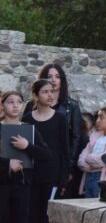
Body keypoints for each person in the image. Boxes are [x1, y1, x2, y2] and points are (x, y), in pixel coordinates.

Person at [24, 63, 83, 199]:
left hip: (57, 164)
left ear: (62, 80)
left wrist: (67, 168)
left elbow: (75, 138)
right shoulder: (30, 105)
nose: (53, 80)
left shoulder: (71, 106)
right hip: (33, 164)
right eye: (49, 76)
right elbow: (25, 133)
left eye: (57, 76)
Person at [22, 79, 69, 223]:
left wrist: (63, 179)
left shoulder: (60, 118)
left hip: (51, 174)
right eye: (45, 92)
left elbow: (64, 149)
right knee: (30, 215)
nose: (50, 95)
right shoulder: (27, 118)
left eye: (52, 91)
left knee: (46, 216)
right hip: (31, 174)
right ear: (35, 96)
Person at [0, 90, 50, 223]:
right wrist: (8, 163)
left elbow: (46, 154)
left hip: (22, 184)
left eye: (19, 102)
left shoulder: (29, 129)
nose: (15, 105)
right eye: (10, 102)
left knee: (21, 218)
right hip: (1, 184)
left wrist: (27, 146)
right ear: (2, 105)